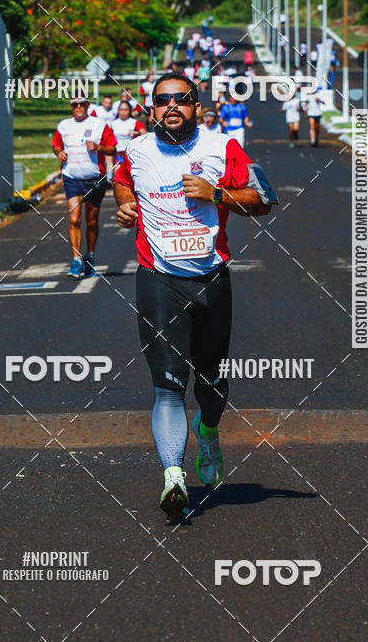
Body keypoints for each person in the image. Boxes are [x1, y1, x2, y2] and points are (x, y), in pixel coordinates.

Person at [114, 73, 277, 521]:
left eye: (181, 100)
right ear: (152, 108)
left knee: (210, 385)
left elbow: (263, 200)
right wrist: (125, 205)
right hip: (158, 277)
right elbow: (124, 183)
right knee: (167, 384)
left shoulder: (222, 148)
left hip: (211, 279)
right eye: (163, 100)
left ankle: (208, 429)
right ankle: (173, 476)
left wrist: (218, 193)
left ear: (197, 107)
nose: (172, 106)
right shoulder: (137, 151)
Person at [52, 96, 117, 279]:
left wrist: (98, 147)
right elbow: (56, 144)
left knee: (92, 221)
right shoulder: (64, 125)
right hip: (71, 177)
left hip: (94, 179)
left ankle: (90, 256)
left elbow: (113, 148)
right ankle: (76, 260)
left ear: (88, 106)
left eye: (82, 104)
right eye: (75, 104)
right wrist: (59, 152)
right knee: (74, 219)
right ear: (71, 106)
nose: (79, 107)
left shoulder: (99, 124)